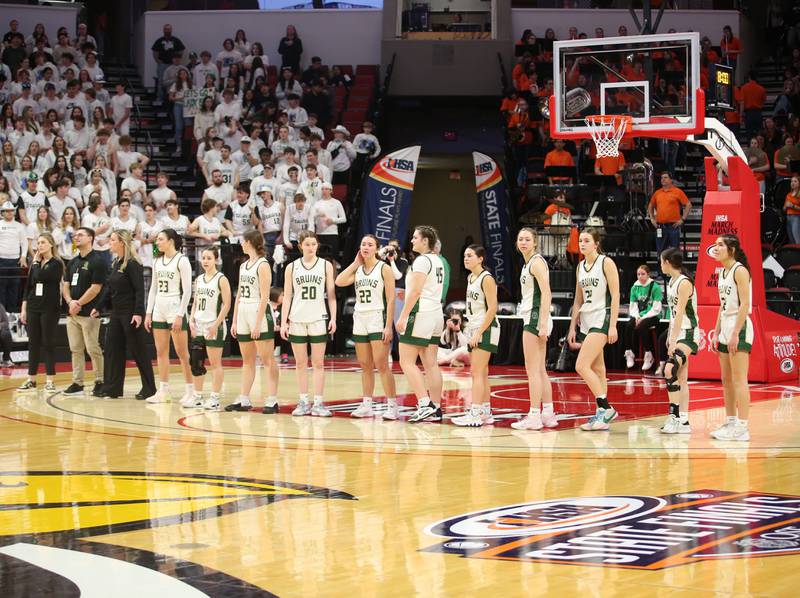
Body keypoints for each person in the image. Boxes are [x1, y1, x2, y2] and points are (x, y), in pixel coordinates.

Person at [335, 234, 397, 419]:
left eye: (370, 245)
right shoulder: (359, 269)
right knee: (365, 365)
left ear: (377, 248)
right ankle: (367, 404)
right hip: (360, 318)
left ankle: (392, 405)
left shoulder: (384, 268)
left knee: (382, 365)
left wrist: (388, 326)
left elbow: (391, 298)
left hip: (377, 317)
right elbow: (339, 281)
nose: (366, 247)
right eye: (363, 244)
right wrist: (354, 263)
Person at [91, 230, 156, 400]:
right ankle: (112, 388)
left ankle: (149, 388)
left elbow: (140, 290)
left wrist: (138, 313)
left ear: (122, 243)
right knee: (112, 349)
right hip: (116, 313)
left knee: (138, 350)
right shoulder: (115, 263)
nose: (109, 242)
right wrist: (99, 307)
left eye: (112, 240)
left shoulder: (133, 264)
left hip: (130, 313)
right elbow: (108, 289)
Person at [567, 228, 620, 431]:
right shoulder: (580, 266)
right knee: (598, 369)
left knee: (581, 365)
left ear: (596, 243)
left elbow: (615, 295)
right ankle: (602, 417)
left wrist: (613, 324)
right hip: (587, 319)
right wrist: (572, 326)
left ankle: (606, 408)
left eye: (587, 240)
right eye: (580, 240)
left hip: (602, 316)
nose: (582, 244)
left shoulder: (606, 262)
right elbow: (578, 298)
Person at [281, 230, 336, 416]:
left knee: (319, 363)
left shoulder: (326, 265)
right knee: (300, 363)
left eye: (314, 244)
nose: (311, 247)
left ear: (317, 245)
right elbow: (287, 297)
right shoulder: (291, 267)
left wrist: (333, 318)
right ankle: (303, 401)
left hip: (318, 318)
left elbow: (332, 296)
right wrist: (283, 321)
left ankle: (319, 403)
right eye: (307, 244)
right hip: (297, 318)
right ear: (300, 246)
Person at [395, 225, 445, 423]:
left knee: (406, 361)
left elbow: (415, 292)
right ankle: (436, 407)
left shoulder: (423, 261)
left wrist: (403, 316)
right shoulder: (438, 260)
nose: (412, 240)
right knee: (430, 363)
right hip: (435, 313)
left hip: (421, 312)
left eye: (415, 238)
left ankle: (424, 404)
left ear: (425, 241)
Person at [226, 230, 280, 413]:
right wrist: (234, 320)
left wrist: (257, 323)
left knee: (267, 359)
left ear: (249, 242)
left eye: (243, 241)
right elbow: (239, 293)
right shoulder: (244, 265)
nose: (241, 244)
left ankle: (272, 399)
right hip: (243, 311)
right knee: (247, 360)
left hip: (259, 310)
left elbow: (265, 296)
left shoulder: (263, 265)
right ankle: (244, 399)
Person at [511, 228, 557, 431]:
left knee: (532, 371)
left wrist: (543, 323)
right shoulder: (528, 263)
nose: (523, 242)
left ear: (535, 242)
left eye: (528, 239)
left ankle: (534, 415)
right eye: (520, 239)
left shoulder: (536, 262)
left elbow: (546, 293)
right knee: (539, 370)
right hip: (536, 316)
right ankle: (548, 413)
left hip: (536, 317)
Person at [710, 234, 753, 442]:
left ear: (732, 249)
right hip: (726, 325)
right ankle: (730, 421)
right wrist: (717, 331)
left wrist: (735, 332)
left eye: (720, 245)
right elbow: (722, 304)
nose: (716, 248)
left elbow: (745, 304)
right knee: (726, 380)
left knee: (739, 379)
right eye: (715, 245)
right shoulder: (722, 272)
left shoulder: (740, 270)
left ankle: (743, 427)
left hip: (740, 324)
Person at [451, 245, 499, 427]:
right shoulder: (471, 277)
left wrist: (479, 332)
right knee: (482, 373)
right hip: (474, 327)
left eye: (470, 256)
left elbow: (493, 307)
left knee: (476, 372)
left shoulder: (486, 278)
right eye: (464, 256)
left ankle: (475, 413)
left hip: (485, 328)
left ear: (480, 259)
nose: (466, 259)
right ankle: (485, 412)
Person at [144, 228, 193, 404]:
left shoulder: (182, 260)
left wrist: (180, 314)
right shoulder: (157, 261)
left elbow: (187, 291)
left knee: (182, 352)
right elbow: (153, 289)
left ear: (171, 241)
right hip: (159, 307)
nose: (157, 242)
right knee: (161, 351)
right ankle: (163, 391)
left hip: (175, 306)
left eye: (160, 239)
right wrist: (148, 312)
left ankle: (191, 390)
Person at [61, 226, 106, 397]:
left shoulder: (97, 261)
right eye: (75, 235)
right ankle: (77, 383)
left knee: (93, 348)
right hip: (72, 314)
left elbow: (96, 288)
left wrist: (79, 303)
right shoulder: (72, 262)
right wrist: (70, 301)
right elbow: (65, 285)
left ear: (90, 238)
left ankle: (99, 380)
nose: (76, 237)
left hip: (89, 313)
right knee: (75, 349)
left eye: (80, 235)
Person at [185, 246, 232, 410]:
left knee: (215, 363)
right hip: (198, 325)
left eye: (209, 258)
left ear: (216, 260)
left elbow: (227, 305)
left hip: (214, 325)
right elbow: (195, 302)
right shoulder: (198, 279)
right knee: (196, 362)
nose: (205, 261)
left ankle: (215, 398)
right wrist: (191, 320)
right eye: (203, 258)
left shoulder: (221, 279)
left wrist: (216, 325)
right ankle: (197, 396)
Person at [17, 232, 64, 392]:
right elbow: (29, 286)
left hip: (49, 309)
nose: (40, 245)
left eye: (43, 242)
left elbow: (42, 276)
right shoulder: (36, 264)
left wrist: (36, 263)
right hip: (33, 307)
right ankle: (32, 379)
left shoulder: (57, 264)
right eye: (38, 242)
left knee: (48, 343)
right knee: (33, 343)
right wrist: (24, 308)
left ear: (51, 244)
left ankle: (50, 380)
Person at [659, 248, 699, 434]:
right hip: (677, 331)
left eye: (661, 261)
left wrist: (674, 340)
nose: (660, 265)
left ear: (667, 262)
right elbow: (673, 314)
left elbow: (681, 312)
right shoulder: (672, 281)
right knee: (681, 378)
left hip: (688, 333)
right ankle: (683, 421)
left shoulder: (684, 283)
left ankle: (674, 417)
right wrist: (669, 337)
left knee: (669, 369)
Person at [623, 264, 663, 371]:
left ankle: (649, 355)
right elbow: (633, 306)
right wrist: (636, 317)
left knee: (641, 327)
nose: (640, 276)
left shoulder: (654, 287)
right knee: (628, 326)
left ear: (648, 274)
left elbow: (656, 308)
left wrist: (643, 318)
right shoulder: (634, 287)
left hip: (653, 315)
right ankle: (629, 353)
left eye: (643, 274)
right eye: (638, 274)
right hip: (639, 315)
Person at [647, 172, 691, 254]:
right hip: (660, 226)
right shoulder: (657, 193)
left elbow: (688, 204)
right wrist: (652, 219)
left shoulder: (677, 192)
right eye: (661, 178)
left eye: (665, 177)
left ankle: (675, 266)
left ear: (671, 180)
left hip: (673, 226)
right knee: (660, 251)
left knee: (675, 251)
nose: (662, 179)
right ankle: (661, 266)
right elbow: (650, 205)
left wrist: (682, 219)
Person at [0, 198, 27, 312]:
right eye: (6, 211)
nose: (9, 212)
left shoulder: (19, 226)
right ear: (2, 212)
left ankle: (13, 312)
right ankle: (2, 312)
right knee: (1, 286)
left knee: (15, 286)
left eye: (11, 210)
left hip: (16, 259)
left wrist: (23, 256)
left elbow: (24, 242)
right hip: (1, 259)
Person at [151, 24, 185, 101]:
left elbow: (182, 49)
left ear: (171, 30)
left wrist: (178, 59)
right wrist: (158, 61)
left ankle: (173, 97)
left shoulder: (176, 40)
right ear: (163, 30)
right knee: (161, 81)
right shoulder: (159, 41)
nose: (167, 30)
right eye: (166, 29)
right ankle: (160, 98)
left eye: (169, 29)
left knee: (174, 81)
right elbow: (155, 51)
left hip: (174, 65)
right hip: (162, 65)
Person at [311, 181, 345, 256]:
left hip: (332, 233)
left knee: (333, 257)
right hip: (319, 234)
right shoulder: (317, 203)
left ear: (331, 191)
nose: (324, 191)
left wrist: (332, 220)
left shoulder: (336, 202)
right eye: (322, 189)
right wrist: (317, 215)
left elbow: (343, 218)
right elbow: (311, 217)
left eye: (326, 189)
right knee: (319, 257)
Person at [740, 71, 766, 138]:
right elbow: (763, 101)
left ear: (749, 78)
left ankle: (750, 146)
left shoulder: (744, 88)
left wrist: (741, 115)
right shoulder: (761, 89)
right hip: (758, 112)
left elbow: (742, 102)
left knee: (749, 133)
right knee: (759, 133)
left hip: (749, 113)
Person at [785, 175, 800, 244]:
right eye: (791, 181)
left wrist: (793, 206)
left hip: (796, 217)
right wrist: (785, 207)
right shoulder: (788, 194)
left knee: (797, 239)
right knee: (791, 239)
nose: (792, 183)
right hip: (788, 218)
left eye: (795, 181)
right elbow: (784, 208)